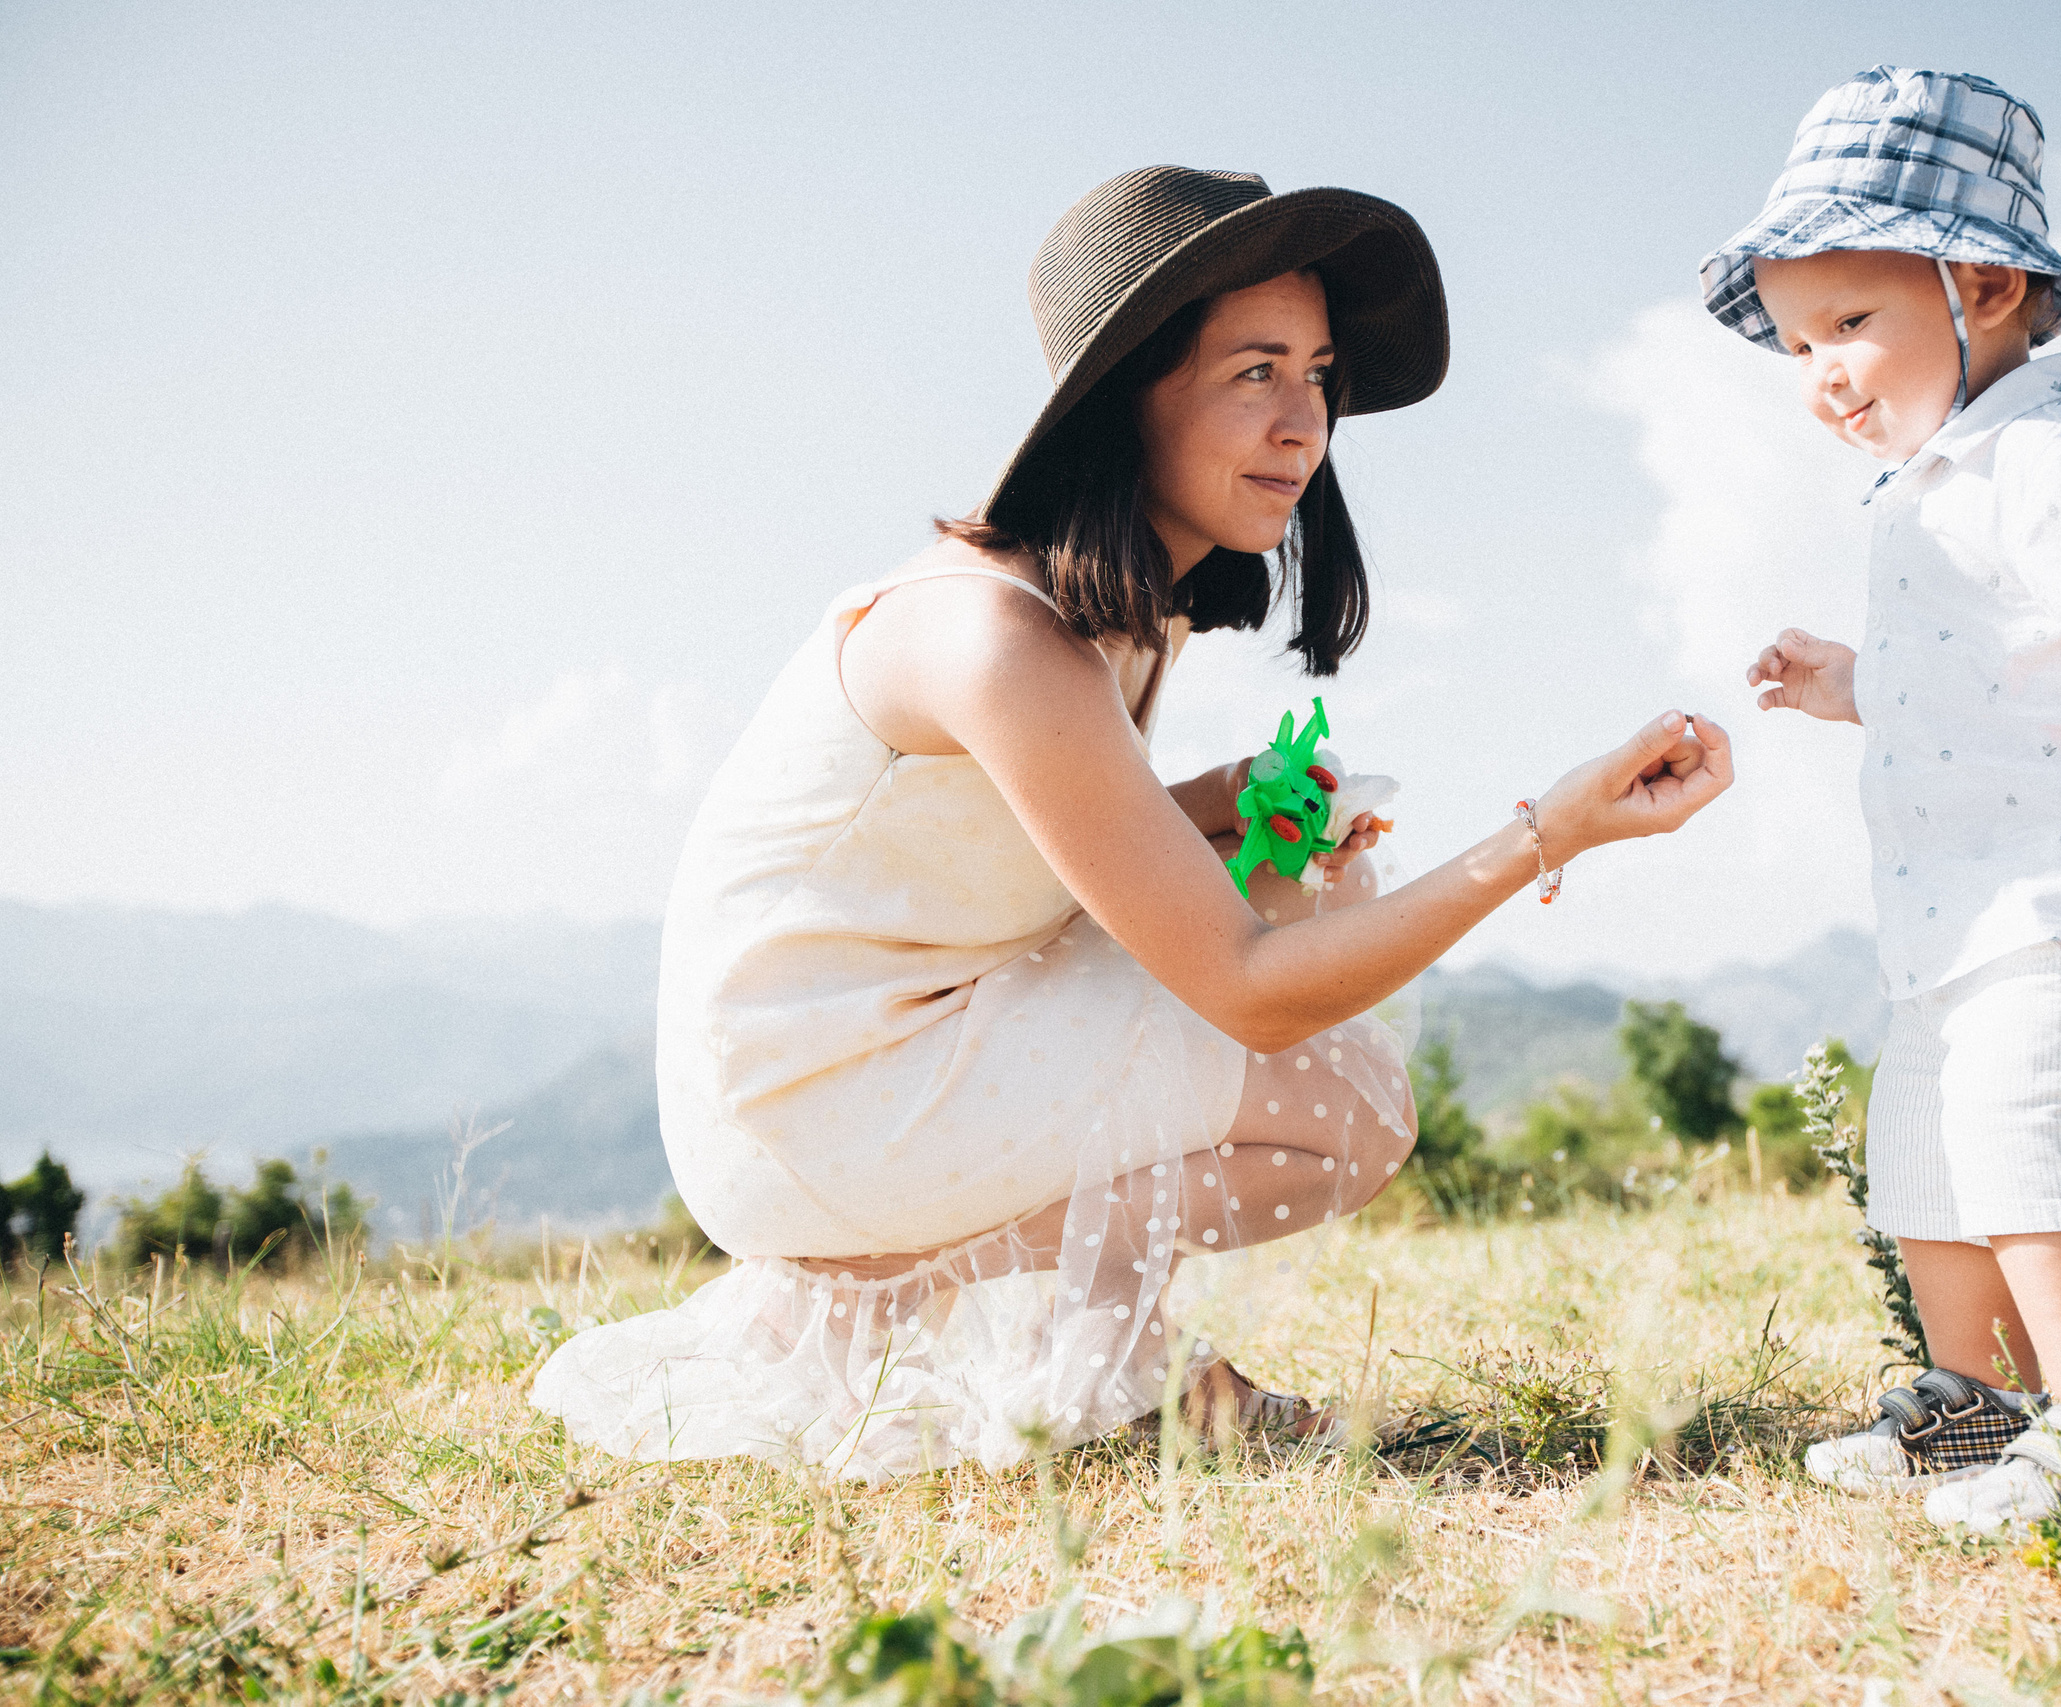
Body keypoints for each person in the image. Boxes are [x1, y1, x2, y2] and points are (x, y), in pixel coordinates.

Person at [532, 165, 1734, 1481]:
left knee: (1300, 897)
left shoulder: (1112, 617)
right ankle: (886, 1299)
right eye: (1254, 373)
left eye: (1318, 373)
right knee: (1341, 1088)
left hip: (889, 1045)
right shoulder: (997, 636)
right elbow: (1251, 997)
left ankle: (1105, 1355)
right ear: (1127, 403)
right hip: (804, 1101)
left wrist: (1214, 810)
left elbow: (990, 848)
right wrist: (1545, 833)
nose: (1306, 424)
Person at [1704, 68, 2061, 1528]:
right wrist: (1856, 681)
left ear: (1980, 285)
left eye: (1850, 324)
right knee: (1932, 1165)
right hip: (1968, 922)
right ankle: (1975, 1409)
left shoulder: (2060, 461)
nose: (1821, 371)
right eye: (1795, 342)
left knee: (2037, 1149)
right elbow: (1990, 676)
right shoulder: (1941, 486)